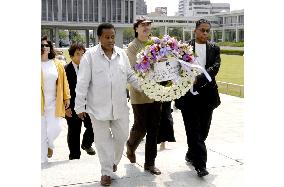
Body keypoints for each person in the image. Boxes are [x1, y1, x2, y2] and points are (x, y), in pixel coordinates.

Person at [74, 23, 141, 186]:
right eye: (107, 37)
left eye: (113, 37)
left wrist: (144, 86)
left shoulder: (122, 55)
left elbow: (130, 74)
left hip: (119, 107)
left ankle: (113, 162)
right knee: (102, 141)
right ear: (99, 38)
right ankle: (106, 172)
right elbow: (82, 83)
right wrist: (79, 106)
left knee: (122, 136)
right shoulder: (89, 56)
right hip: (97, 109)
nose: (111, 40)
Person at [175, 19, 221, 177]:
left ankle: (191, 152)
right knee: (193, 130)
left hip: (208, 96)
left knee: (204, 130)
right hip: (188, 96)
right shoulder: (183, 48)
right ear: (195, 30)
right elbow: (177, 67)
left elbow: (214, 68)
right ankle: (200, 165)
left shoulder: (215, 48)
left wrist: (198, 78)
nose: (205, 33)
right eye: (202, 30)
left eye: (208, 30)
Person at [125, 16, 162, 175]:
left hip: (157, 93)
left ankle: (150, 163)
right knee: (141, 127)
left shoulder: (156, 42)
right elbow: (135, 69)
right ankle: (131, 146)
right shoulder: (133, 47)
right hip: (139, 94)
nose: (146, 27)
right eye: (142, 25)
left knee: (153, 128)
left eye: (148, 24)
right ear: (136, 28)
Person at [41, 36, 71, 164]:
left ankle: (50, 145)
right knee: (41, 133)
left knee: (57, 128)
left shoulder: (57, 64)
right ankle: (42, 161)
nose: (43, 48)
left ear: (50, 48)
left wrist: (66, 97)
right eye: (41, 46)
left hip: (54, 102)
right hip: (39, 104)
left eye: (46, 45)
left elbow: (64, 83)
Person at [64, 42, 96, 160]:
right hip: (71, 107)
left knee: (93, 126)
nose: (81, 57)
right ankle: (74, 156)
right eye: (78, 54)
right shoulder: (66, 70)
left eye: (83, 54)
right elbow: (62, 90)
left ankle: (86, 144)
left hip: (88, 105)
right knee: (74, 131)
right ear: (72, 56)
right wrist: (66, 108)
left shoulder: (90, 69)